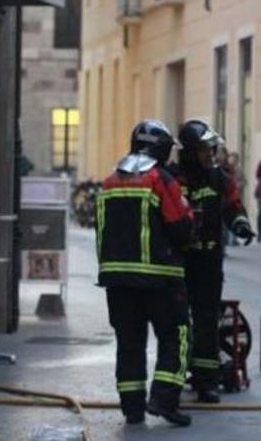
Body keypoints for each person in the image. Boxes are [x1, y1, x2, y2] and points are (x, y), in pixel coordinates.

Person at [95, 120, 194, 427]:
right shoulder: (159, 179)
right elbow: (181, 227)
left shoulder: (110, 181)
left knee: (129, 342)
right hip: (160, 277)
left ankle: (133, 408)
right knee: (175, 335)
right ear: (162, 149)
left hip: (116, 279)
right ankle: (164, 400)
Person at [171, 120, 255, 404]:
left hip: (208, 261)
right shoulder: (173, 179)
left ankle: (206, 382)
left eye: (213, 148)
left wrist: (241, 225)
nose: (212, 154)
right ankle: (173, 378)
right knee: (177, 322)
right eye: (206, 149)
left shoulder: (219, 178)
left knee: (207, 321)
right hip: (180, 262)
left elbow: (233, 205)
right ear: (191, 151)